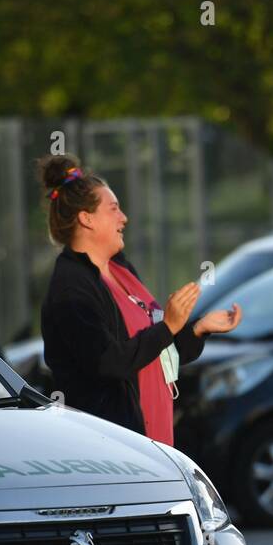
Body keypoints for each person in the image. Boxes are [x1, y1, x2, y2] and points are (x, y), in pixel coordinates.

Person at [38, 154, 241, 445]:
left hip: (154, 440)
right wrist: (168, 326)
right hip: (111, 448)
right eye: (114, 209)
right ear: (86, 218)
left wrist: (197, 329)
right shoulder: (71, 287)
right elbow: (108, 363)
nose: (124, 218)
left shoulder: (119, 268)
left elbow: (154, 352)